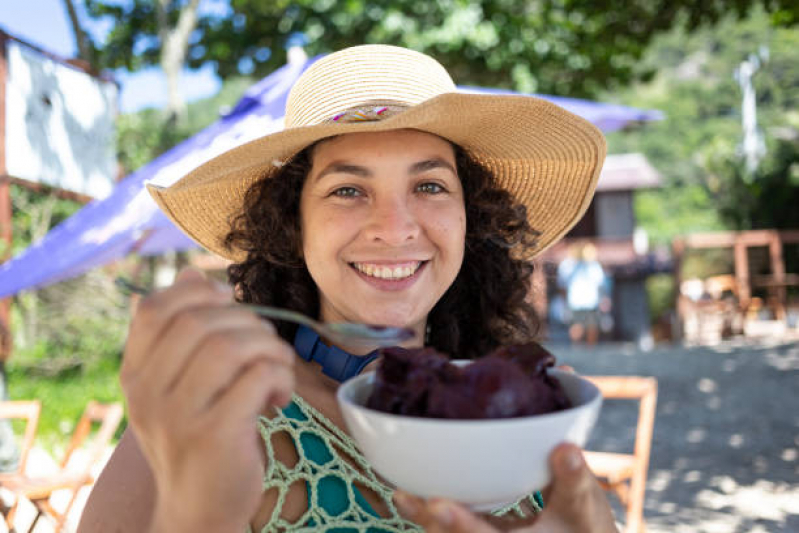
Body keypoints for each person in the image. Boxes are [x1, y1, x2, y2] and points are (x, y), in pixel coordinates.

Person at [78, 45, 616, 533]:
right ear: (293, 224)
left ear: (469, 218)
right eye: (348, 189)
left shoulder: (528, 417)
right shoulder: (214, 413)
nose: (395, 227)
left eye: (429, 185)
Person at [557, 243, 611, 345]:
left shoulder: (569, 266)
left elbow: (562, 285)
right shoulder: (590, 266)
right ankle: (585, 349)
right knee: (587, 325)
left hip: (580, 301)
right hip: (586, 301)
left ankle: (581, 349)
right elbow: (601, 284)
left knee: (582, 325)